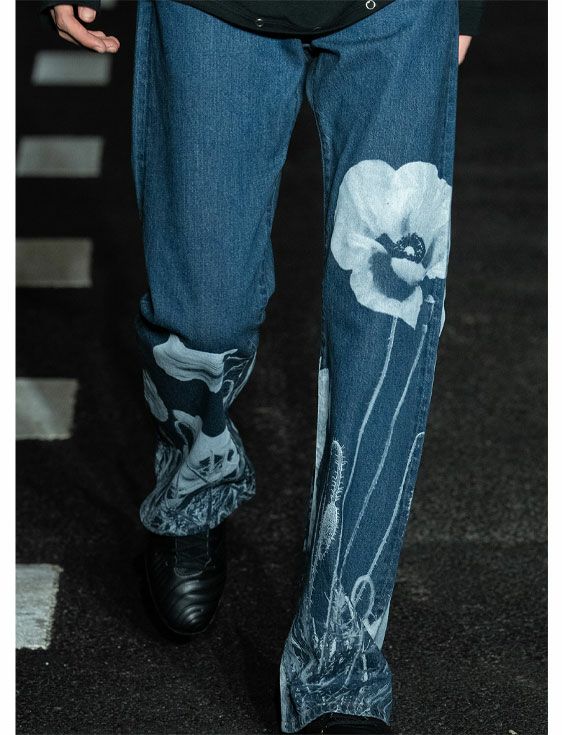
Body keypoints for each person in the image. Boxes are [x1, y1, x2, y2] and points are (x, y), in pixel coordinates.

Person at [39, 1, 485, 732]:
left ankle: (340, 669)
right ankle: (193, 488)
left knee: (388, 330)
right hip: (212, 9)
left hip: (399, 16)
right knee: (201, 310)